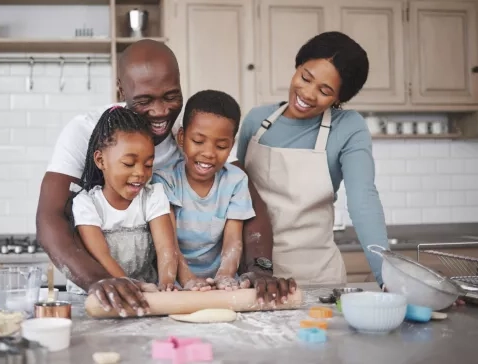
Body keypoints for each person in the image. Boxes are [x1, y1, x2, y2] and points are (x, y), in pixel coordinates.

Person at [37, 39, 296, 315]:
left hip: (159, 295)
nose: (161, 112)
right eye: (145, 100)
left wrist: (260, 269)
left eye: (171, 96)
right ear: (121, 89)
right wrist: (99, 280)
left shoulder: (194, 135)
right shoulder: (89, 132)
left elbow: (251, 208)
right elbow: (49, 217)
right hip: (101, 294)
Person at [236, 31, 389, 286]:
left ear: (339, 98)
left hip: (318, 279)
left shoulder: (348, 128)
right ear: (298, 66)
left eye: (325, 90)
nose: (307, 94)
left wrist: (388, 278)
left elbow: (364, 202)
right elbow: (236, 194)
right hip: (257, 277)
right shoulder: (256, 120)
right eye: (305, 77)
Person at [68, 107, 178, 317]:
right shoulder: (87, 204)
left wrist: (166, 285)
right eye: (129, 163)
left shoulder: (152, 196)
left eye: (148, 165)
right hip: (101, 299)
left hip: (145, 296)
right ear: (101, 161)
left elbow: (166, 248)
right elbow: (102, 255)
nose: (140, 173)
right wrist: (129, 287)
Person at [153, 90, 255, 291]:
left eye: (221, 145)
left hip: (221, 285)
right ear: (181, 137)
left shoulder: (235, 180)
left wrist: (225, 276)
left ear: (231, 145)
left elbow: (233, 241)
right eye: (198, 142)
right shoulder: (165, 180)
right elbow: (168, 242)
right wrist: (187, 279)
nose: (208, 153)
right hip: (176, 284)